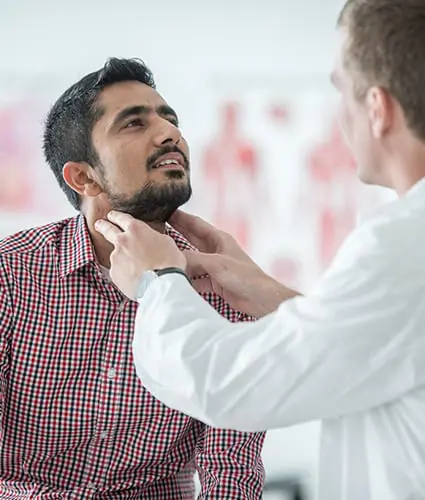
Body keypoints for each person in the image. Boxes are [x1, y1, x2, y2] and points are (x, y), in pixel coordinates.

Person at [95, 1, 425, 499]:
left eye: (341, 91)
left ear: (377, 109)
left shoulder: (403, 244)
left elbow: (226, 384)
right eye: (135, 123)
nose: (170, 135)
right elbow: (379, 347)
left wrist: (159, 282)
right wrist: (272, 295)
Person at [0, 57, 266, 498]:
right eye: (133, 124)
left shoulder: (226, 289)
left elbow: (232, 472)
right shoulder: (10, 274)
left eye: (169, 118)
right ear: (84, 177)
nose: (170, 134)